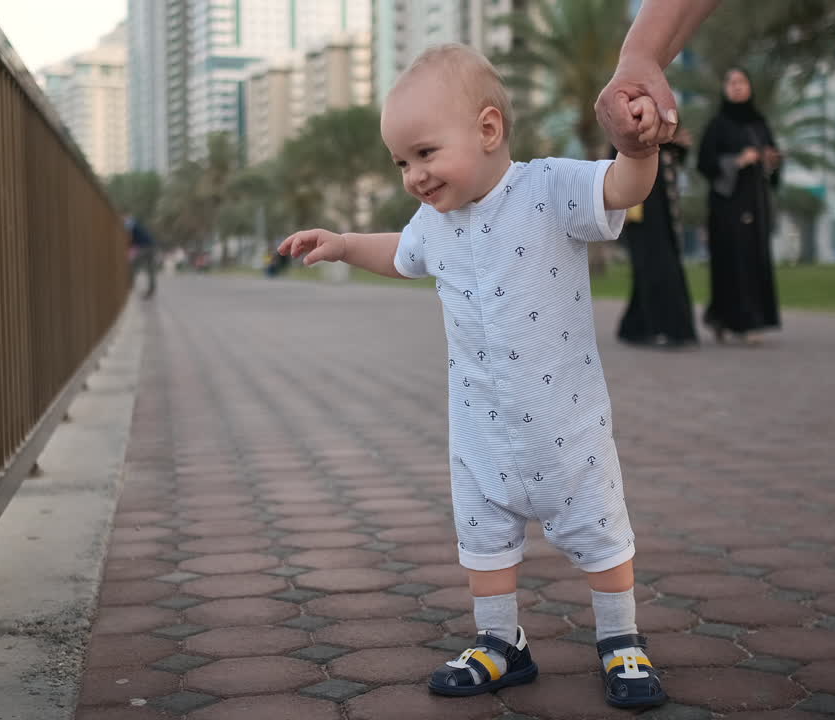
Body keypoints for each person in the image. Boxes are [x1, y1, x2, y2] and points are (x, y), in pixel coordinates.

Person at [595, 1, 835, 717]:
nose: (741, 92)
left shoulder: (762, 121)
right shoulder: (717, 127)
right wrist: (643, 52)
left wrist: (764, 161)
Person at [280, 44, 668, 708]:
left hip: (564, 419)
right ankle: (500, 642)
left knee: (599, 522)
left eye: (425, 154)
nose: (413, 176)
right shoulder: (434, 222)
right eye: (401, 162)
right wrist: (344, 244)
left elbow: (621, 190)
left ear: (488, 130)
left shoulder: (548, 187)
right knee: (482, 533)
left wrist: (637, 152)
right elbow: (400, 256)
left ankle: (620, 638)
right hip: (481, 425)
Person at [696, 68, 780, 345]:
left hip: (756, 203)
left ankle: (731, 318)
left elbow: (773, 163)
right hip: (727, 208)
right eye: (731, 83)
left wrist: (771, 160)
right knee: (734, 261)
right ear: (724, 88)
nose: (737, 87)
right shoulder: (718, 125)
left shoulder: (759, 124)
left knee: (754, 260)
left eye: (742, 82)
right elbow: (704, 163)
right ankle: (742, 323)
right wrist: (737, 161)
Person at [615, 126, 698, 348]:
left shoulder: (667, 144)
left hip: (664, 218)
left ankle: (635, 327)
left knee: (660, 269)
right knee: (652, 270)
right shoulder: (627, 134)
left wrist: (677, 145)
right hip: (640, 217)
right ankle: (663, 328)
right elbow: (614, 166)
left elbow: (673, 167)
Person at [127, 216, 157, 299]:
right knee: (150, 270)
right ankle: (151, 290)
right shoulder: (135, 224)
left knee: (133, 265)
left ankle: (129, 286)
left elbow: (130, 238)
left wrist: (129, 247)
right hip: (151, 246)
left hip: (144, 247)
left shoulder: (130, 224)